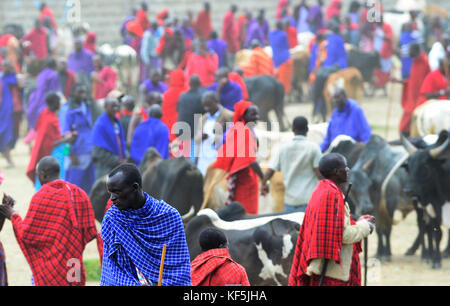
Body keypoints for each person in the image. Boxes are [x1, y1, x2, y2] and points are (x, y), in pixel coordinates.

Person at [0, 156, 100, 286]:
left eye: (37, 176)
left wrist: (13, 215)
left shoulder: (41, 197)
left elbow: (27, 235)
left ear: (43, 174)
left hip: (51, 269)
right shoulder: (79, 193)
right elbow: (90, 232)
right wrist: (71, 243)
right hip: (74, 263)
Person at [288, 153, 375, 286]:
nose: (347, 171)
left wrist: (358, 223)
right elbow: (342, 235)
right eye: (345, 168)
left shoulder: (323, 189)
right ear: (336, 172)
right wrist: (365, 227)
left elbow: (335, 228)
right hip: (332, 274)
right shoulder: (331, 195)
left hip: (330, 271)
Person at [100, 163, 192, 286]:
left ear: (135, 187)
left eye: (116, 192)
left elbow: (179, 270)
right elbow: (112, 270)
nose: (112, 198)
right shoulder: (112, 219)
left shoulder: (169, 216)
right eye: (110, 193)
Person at [212, 100, 265, 214]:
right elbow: (251, 160)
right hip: (246, 181)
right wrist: (264, 179)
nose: (257, 117)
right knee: (247, 215)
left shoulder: (237, 128)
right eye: (253, 114)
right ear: (243, 115)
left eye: (257, 114)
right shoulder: (243, 131)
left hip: (239, 179)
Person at [262, 116, 322, 212]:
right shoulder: (313, 148)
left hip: (290, 202)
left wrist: (265, 184)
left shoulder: (282, 149)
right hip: (309, 200)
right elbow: (320, 175)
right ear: (307, 129)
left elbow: (269, 173)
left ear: (292, 129)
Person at [26, 92, 74, 186]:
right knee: (54, 177)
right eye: (58, 101)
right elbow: (50, 143)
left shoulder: (46, 113)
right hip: (54, 153)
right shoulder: (49, 119)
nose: (60, 104)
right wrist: (67, 139)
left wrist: (64, 137)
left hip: (56, 151)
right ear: (54, 103)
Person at [62, 83, 96, 194]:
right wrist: (69, 154)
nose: (82, 95)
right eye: (79, 92)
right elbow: (65, 134)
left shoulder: (87, 107)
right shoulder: (68, 110)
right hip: (76, 155)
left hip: (88, 151)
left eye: (84, 92)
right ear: (72, 93)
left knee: (88, 186)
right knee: (73, 187)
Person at [195, 91, 234, 175]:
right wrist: (200, 136)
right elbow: (197, 139)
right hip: (204, 156)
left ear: (216, 102)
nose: (207, 108)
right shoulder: (203, 118)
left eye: (209, 105)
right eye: (205, 106)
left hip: (219, 156)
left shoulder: (228, 116)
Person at [398, 43, 431, 135]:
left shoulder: (424, 63)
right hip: (412, 98)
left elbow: (425, 82)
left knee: (411, 123)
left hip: (419, 99)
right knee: (404, 125)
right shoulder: (415, 61)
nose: (409, 53)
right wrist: (403, 82)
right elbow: (412, 80)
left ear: (416, 51)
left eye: (411, 51)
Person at [91, 97, 127, 180]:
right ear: (105, 106)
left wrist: (125, 157)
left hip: (118, 167)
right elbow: (98, 151)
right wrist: (117, 161)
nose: (115, 109)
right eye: (113, 106)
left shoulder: (117, 123)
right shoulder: (100, 124)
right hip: (105, 168)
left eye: (117, 106)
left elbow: (121, 143)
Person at [26, 58, 61, 131]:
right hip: (46, 101)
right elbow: (53, 90)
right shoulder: (53, 75)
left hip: (36, 99)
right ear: (54, 66)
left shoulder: (41, 74)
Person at [176, 75, 206, 161]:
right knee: (193, 158)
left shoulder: (182, 96)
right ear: (200, 84)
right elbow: (203, 114)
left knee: (183, 156)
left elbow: (178, 110)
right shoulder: (201, 97)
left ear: (189, 84)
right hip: (194, 131)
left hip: (182, 130)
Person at [0, 60, 20, 168]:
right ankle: (9, 160)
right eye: (3, 66)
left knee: (8, 136)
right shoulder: (1, 79)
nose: (5, 68)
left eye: (7, 66)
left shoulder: (15, 79)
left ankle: (9, 160)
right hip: (2, 113)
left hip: (11, 113)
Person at [162, 69, 188, 142]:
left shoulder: (166, 95)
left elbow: (164, 112)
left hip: (171, 127)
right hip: (186, 127)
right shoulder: (188, 92)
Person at [269, 21, 294, 94]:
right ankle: (285, 94)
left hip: (275, 60)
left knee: (277, 79)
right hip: (285, 59)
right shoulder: (283, 34)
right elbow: (287, 46)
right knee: (285, 80)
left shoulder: (271, 34)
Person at [221, 4, 240, 69]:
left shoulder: (232, 15)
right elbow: (226, 30)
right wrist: (226, 42)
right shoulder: (228, 16)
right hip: (230, 43)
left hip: (233, 42)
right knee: (230, 62)